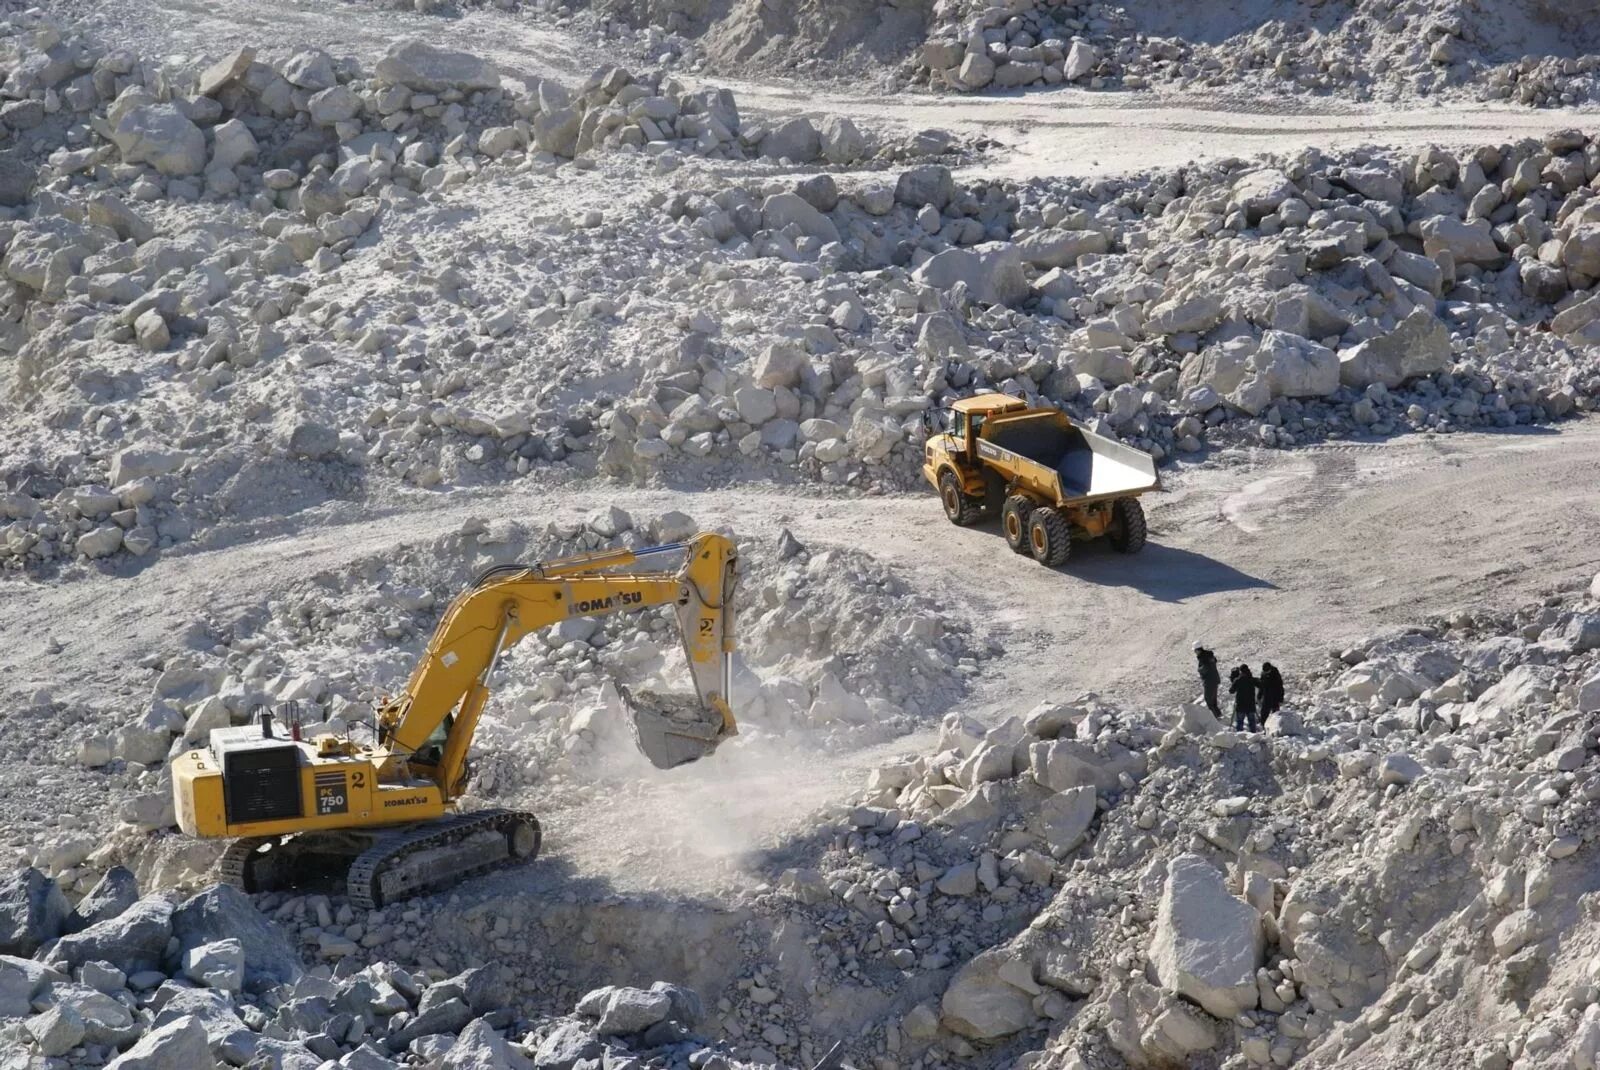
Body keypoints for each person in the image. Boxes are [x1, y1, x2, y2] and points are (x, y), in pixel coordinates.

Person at [1229, 663, 1259, 733]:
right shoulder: (1251, 679)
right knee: (1252, 721)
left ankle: (1240, 736)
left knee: (1240, 721)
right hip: (1250, 704)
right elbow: (1260, 685)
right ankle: (1253, 735)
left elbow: (1231, 691)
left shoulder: (1238, 680)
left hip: (1240, 704)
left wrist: (1233, 681)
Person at [1194, 643, 1221, 718]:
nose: (1195, 653)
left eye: (1195, 651)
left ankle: (1215, 718)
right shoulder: (1209, 655)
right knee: (1213, 700)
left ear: (1198, 650)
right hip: (1215, 679)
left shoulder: (1203, 658)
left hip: (1209, 681)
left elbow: (1205, 669)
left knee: (1208, 700)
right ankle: (1218, 715)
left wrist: (1199, 669)